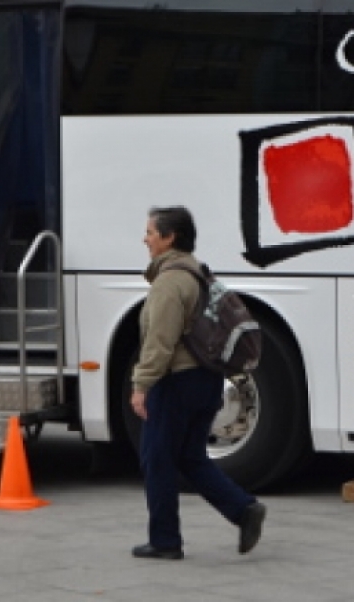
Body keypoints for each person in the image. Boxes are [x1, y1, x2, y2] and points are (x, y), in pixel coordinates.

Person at [130, 205, 266, 560]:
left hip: (177, 383)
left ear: (169, 237)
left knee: (156, 460)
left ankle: (164, 540)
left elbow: (160, 340)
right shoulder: (199, 273)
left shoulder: (170, 282)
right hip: (206, 381)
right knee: (190, 458)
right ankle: (243, 509)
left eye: (150, 232)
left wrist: (141, 385)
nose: (144, 239)